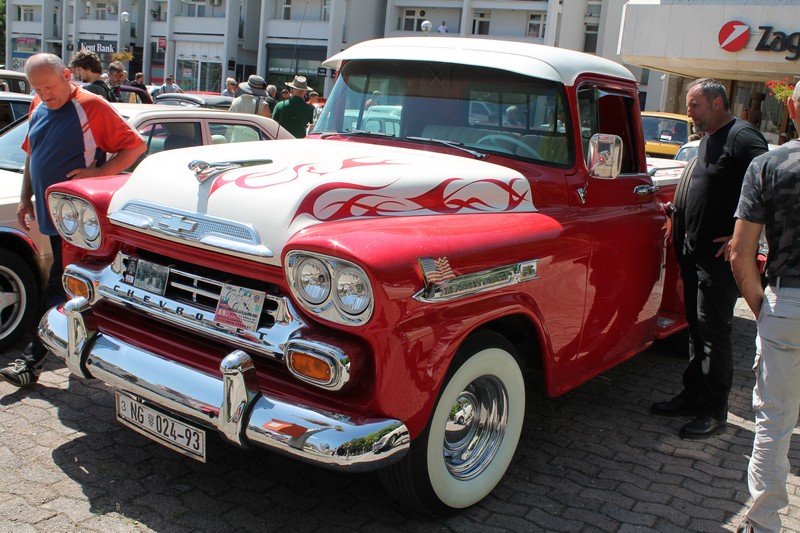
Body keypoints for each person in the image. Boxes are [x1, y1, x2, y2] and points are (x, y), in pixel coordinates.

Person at [0, 53, 146, 388]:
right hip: (51, 216)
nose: (45, 94)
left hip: (80, 221)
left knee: (60, 285)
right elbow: (33, 155)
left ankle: (31, 362)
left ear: (67, 76)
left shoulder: (91, 106)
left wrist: (98, 173)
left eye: (50, 87)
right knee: (70, 288)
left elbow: (134, 147)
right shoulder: (38, 104)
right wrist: (25, 198)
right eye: (38, 88)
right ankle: (82, 348)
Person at [650, 78, 769, 439]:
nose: (689, 112)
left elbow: (768, 186)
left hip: (719, 259)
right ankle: (693, 394)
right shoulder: (707, 138)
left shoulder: (743, 137)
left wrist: (741, 238)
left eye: (695, 105)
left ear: (718, 103)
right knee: (696, 327)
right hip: (693, 252)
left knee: (714, 331)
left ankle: (715, 410)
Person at [730, 83, 800, 533]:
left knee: (774, 422)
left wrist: (763, 309)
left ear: (791, 107)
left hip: (786, 301)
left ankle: (763, 525)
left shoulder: (769, 165)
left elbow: (740, 252)